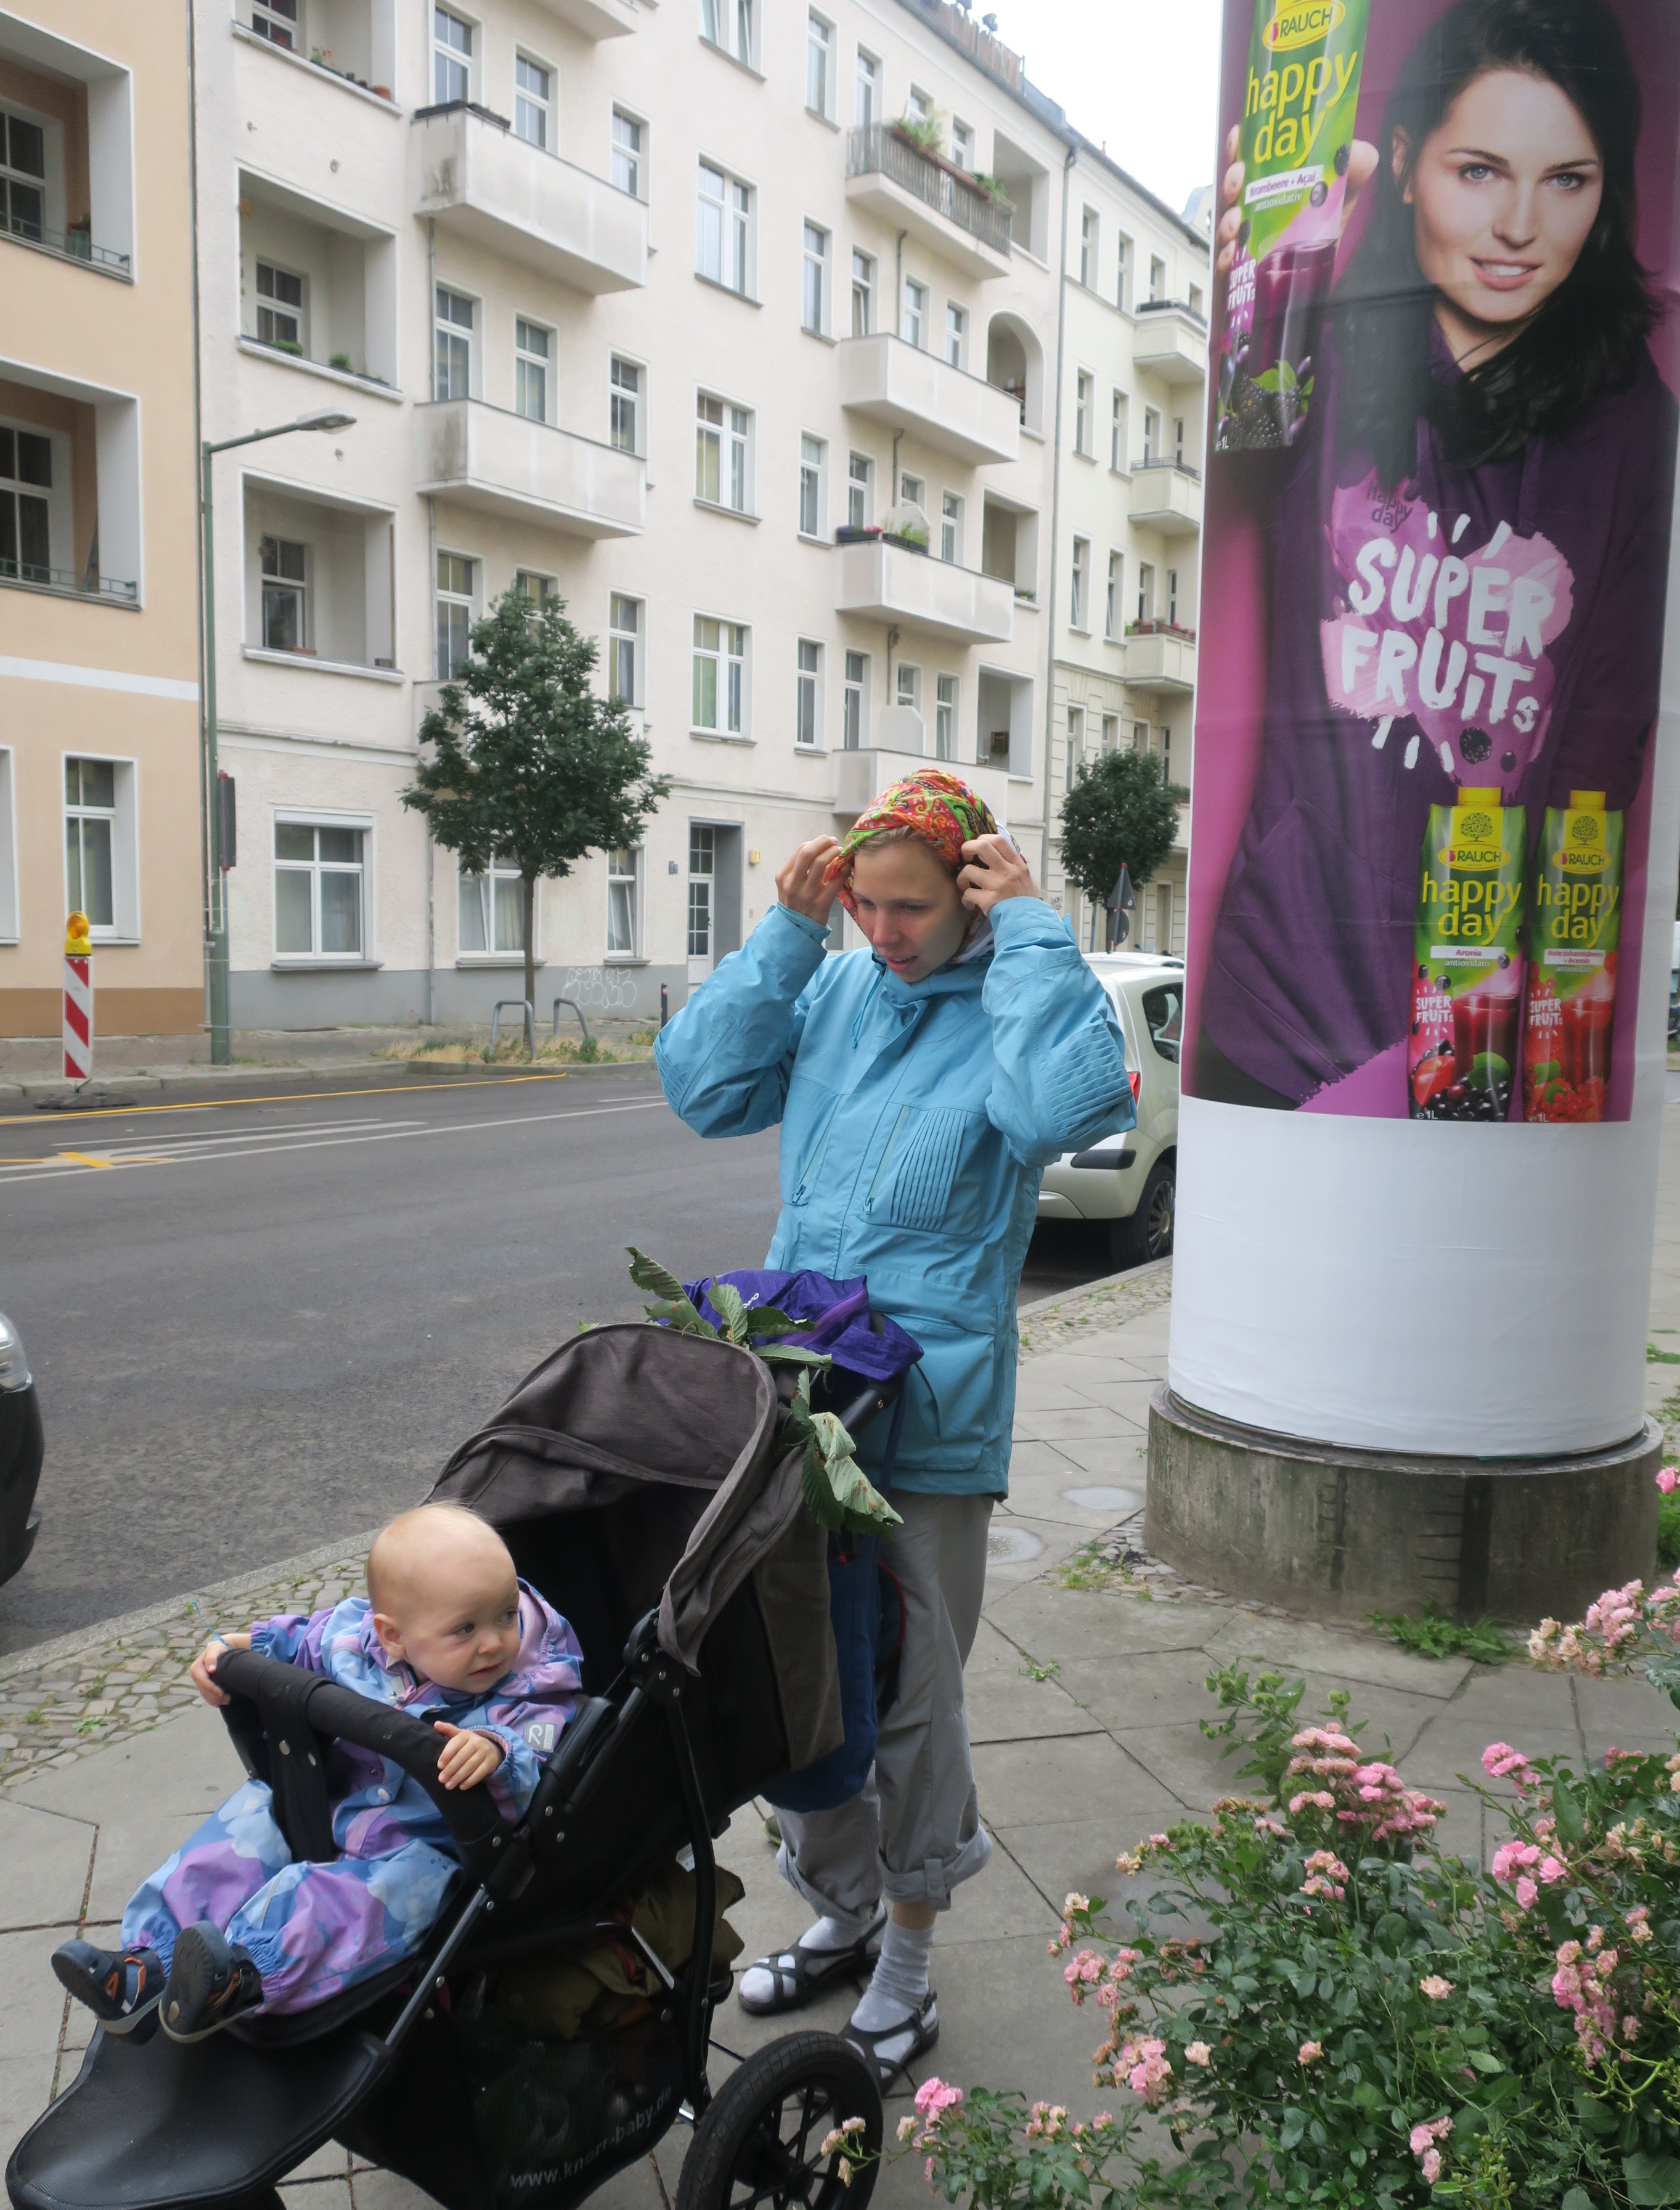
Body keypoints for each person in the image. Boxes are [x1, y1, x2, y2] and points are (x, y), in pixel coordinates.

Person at [654, 769, 1133, 2087]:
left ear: (972, 892)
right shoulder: (841, 985)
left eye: (911, 906)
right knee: (789, 1678)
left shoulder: (1014, 997)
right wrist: (783, 936)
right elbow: (701, 1089)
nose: (885, 932)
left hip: (924, 1418)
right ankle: (845, 1909)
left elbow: (1069, 1112)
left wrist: (1033, 933)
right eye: (864, 904)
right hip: (796, 1402)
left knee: (912, 1699)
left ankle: (909, 1960)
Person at [1199, 0, 1675, 1111]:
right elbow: (1240, 452)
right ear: (1407, 161)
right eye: (1479, 171)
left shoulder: (1634, 428)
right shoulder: (1320, 342)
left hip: (1483, 1042)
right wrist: (1250, 294)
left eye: (1567, 180)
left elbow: (1603, 761)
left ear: (1607, 194)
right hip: (1276, 1012)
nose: (1518, 226)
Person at [51, 1504, 582, 2042]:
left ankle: (242, 1975)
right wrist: (231, 1652)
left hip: (417, 1851)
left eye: (505, 1616)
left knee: (344, 1901)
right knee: (247, 1824)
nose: (493, 1642)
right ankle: (147, 1966)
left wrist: (495, 1751)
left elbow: (539, 1748)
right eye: (465, 1629)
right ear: (393, 1637)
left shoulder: (527, 1687)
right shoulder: (357, 1642)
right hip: (329, 1808)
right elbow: (304, 1639)